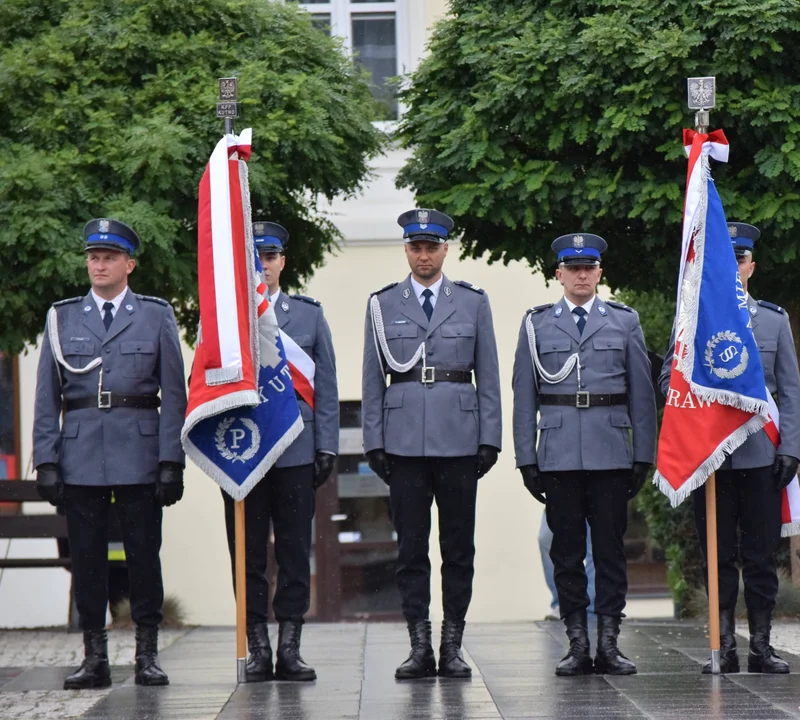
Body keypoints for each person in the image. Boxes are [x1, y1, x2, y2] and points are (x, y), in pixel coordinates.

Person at [33, 218, 186, 689]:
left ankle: (147, 654)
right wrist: (47, 459)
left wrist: (170, 460)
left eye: (109, 258)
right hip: (80, 455)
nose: (99, 265)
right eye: (93, 257)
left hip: (138, 452)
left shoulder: (155, 315)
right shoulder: (62, 317)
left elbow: (173, 394)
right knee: (88, 560)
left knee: (144, 556)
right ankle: (94, 657)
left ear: (129, 264)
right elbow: (46, 395)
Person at [362, 209, 501, 680]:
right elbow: (371, 378)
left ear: (446, 249)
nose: (424, 255)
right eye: (415, 247)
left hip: (460, 440)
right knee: (411, 549)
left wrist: (490, 438)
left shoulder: (472, 302)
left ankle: (453, 645)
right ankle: (419, 645)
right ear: (406, 250)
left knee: (459, 547)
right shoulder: (382, 304)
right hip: (403, 443)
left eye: (432, 247)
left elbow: (489, 375)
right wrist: (374, 441)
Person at [658, 222, 800, 675]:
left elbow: (792, 392)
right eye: (725, 258)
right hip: (711, 460)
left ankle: (761, 645)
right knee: (718, 557)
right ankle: (723, 646)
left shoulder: (774, 321)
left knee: (760, 556)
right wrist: (693, 405)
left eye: (740, 259)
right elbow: (668, 380)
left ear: (750, 266)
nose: (733, 266)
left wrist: (790, 451)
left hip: (761, 455)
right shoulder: (691, 320)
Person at [512, 232, 656, 677]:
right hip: (557, 455)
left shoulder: (623, 321)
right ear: (558, 274)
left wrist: (643, 455)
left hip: (611, 451)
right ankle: (576, 644)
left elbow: (642, 393)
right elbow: (524, 395)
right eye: (572, 268)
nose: (581, 275)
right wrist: (526, 458)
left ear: (599, 273)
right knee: (566, 553)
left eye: (588, 268)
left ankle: (609, 644)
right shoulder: (536, 324)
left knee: (611, 553)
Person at [222, 221, 339, 682]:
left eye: (269, 257)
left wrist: (326, 444)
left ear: (282, 262)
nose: (263, 265)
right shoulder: (228, 319)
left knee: (293, 552)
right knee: (247, 555)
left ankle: (290, 646)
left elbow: (326, 386)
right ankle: (258, 648)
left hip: (294, 449)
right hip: (243, 451)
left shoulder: (308, 315)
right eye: (255, 257)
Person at [539, 511, 595, 618]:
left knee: (593, 547)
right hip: (559, 497)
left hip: (594, 497)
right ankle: (562, 602)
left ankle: (588, 606)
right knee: (546, 540)